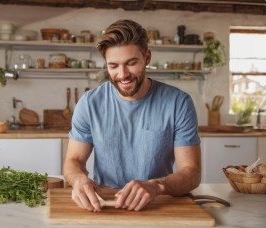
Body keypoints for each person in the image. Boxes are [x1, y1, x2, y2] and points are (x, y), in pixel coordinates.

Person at [63, 19, 201, 212]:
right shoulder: (89, 103)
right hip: (105, 204)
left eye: (131, 63)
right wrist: (79, 180)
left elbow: (192, 173)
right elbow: (73, 161)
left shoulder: (178, 103)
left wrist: (156, 186)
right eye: (113, 66)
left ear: (147, 57)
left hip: (159, 203)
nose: (123, 74)